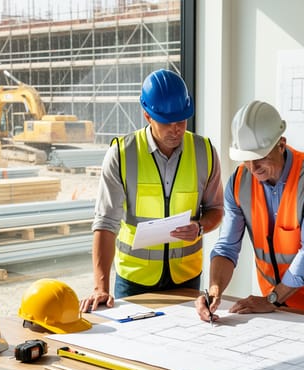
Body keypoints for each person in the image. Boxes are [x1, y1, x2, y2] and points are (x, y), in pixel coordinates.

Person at [80, 69, 223, 312]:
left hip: (187, 278)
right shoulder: (122, 154)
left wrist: (199, 227)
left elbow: (216, 209)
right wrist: (100, 287)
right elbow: (105, 223)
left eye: (181, 120)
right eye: (167, 122)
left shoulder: (204, 152)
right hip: (134, 281)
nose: (176, 129)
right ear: (147, 115)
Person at [196, 100, 304, 321]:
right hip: (272, 296)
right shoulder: (238, 183)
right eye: (246, 159)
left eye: (260, 158)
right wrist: (214, 290)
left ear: (281, 144)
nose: (253, 168)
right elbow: (227, 247)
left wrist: (271, 300)